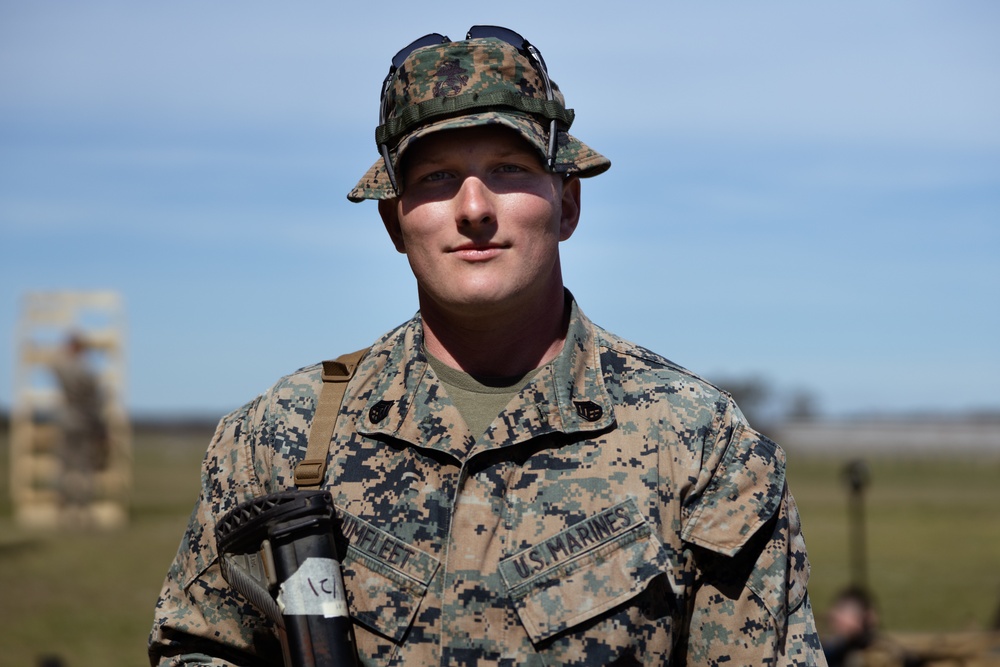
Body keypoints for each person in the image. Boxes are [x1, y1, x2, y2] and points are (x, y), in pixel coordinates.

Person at [149, 26, 826, 666]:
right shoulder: (281, 437)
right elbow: (198, 645)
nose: (474, 207)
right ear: (394, 219)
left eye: (506, 168)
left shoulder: (697, 441)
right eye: (437, 177)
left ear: (567, 204)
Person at [51, 332, 108, 524]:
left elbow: (55, 365)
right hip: (85, 422)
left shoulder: (63, 366)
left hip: (67, 420)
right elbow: (98, 398)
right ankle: (83, 509)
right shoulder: (87, 370)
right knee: (84, 467)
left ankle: (64, 507)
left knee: (65, 466)